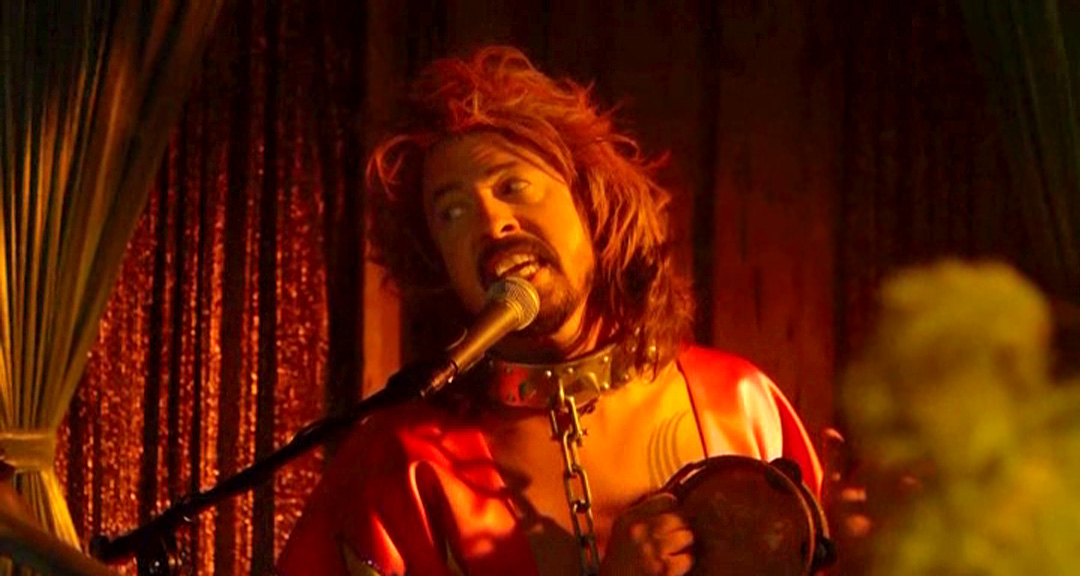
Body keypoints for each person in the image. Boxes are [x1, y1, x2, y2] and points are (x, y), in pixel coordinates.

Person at [277, 45, 822, 576]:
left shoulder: (739, 404)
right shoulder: (398, 463)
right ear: (439, 265)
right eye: (452, 213)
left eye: (513, 185)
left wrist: (862, 556)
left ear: (592, 202)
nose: (492, 223)